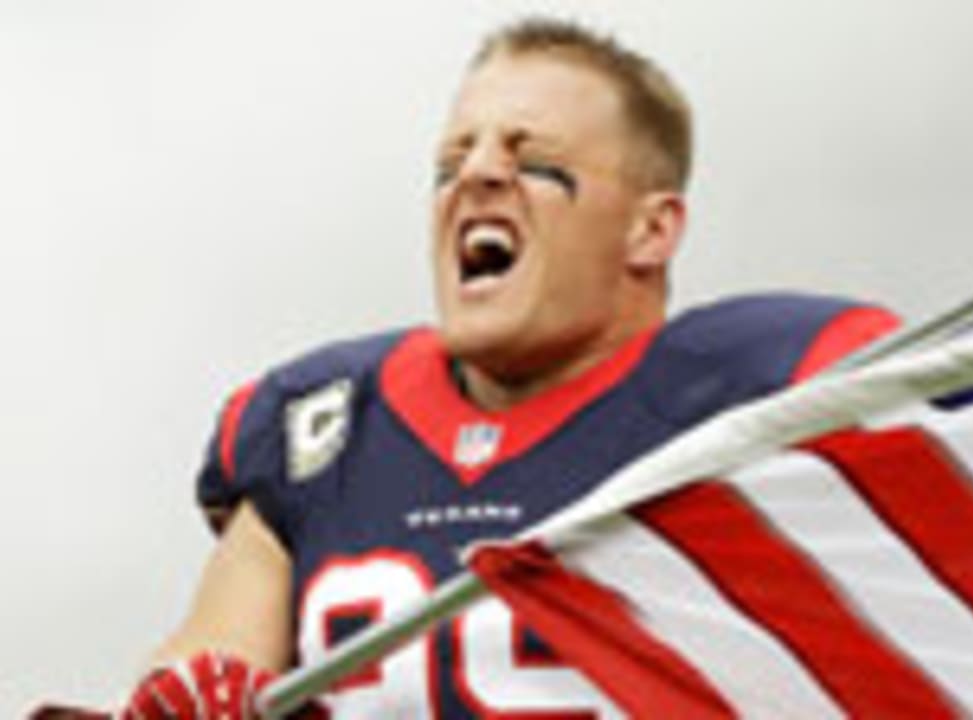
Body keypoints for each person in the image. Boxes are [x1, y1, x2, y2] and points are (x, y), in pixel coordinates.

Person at [39, 16, 898, 719]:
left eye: (536, 165)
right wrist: (184, 696)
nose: (478, 176)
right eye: (452, 164)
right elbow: (210, 657)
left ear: (651, 230)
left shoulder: (759, 389)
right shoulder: (319, 425)